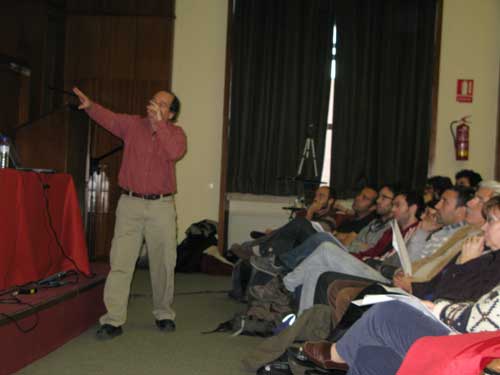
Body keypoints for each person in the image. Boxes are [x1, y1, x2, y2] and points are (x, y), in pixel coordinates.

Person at [302, 195, 500, 375]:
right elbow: (429, 269)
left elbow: (476, 317)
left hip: (469, 346)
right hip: (444, 314)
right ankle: (336, 347)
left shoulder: (481, 252)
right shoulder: (482, 249)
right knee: (369, 355)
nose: (484, 227)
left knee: (386, 311)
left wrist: (461, 271)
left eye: (490, 221)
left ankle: (337, 351)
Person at [73, 87, 187, 339]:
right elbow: (110, 118)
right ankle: (113, 319)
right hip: (130, 204)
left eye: (162, 104)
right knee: (121, 262)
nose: (154, 105)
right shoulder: (133, 125)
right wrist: (91, 106)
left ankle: (164, 314)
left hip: (161, 207)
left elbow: (175, 152)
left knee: (164, 264)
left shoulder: (176, 134)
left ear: (171, 113)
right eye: (153, 100)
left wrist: (160, 126)